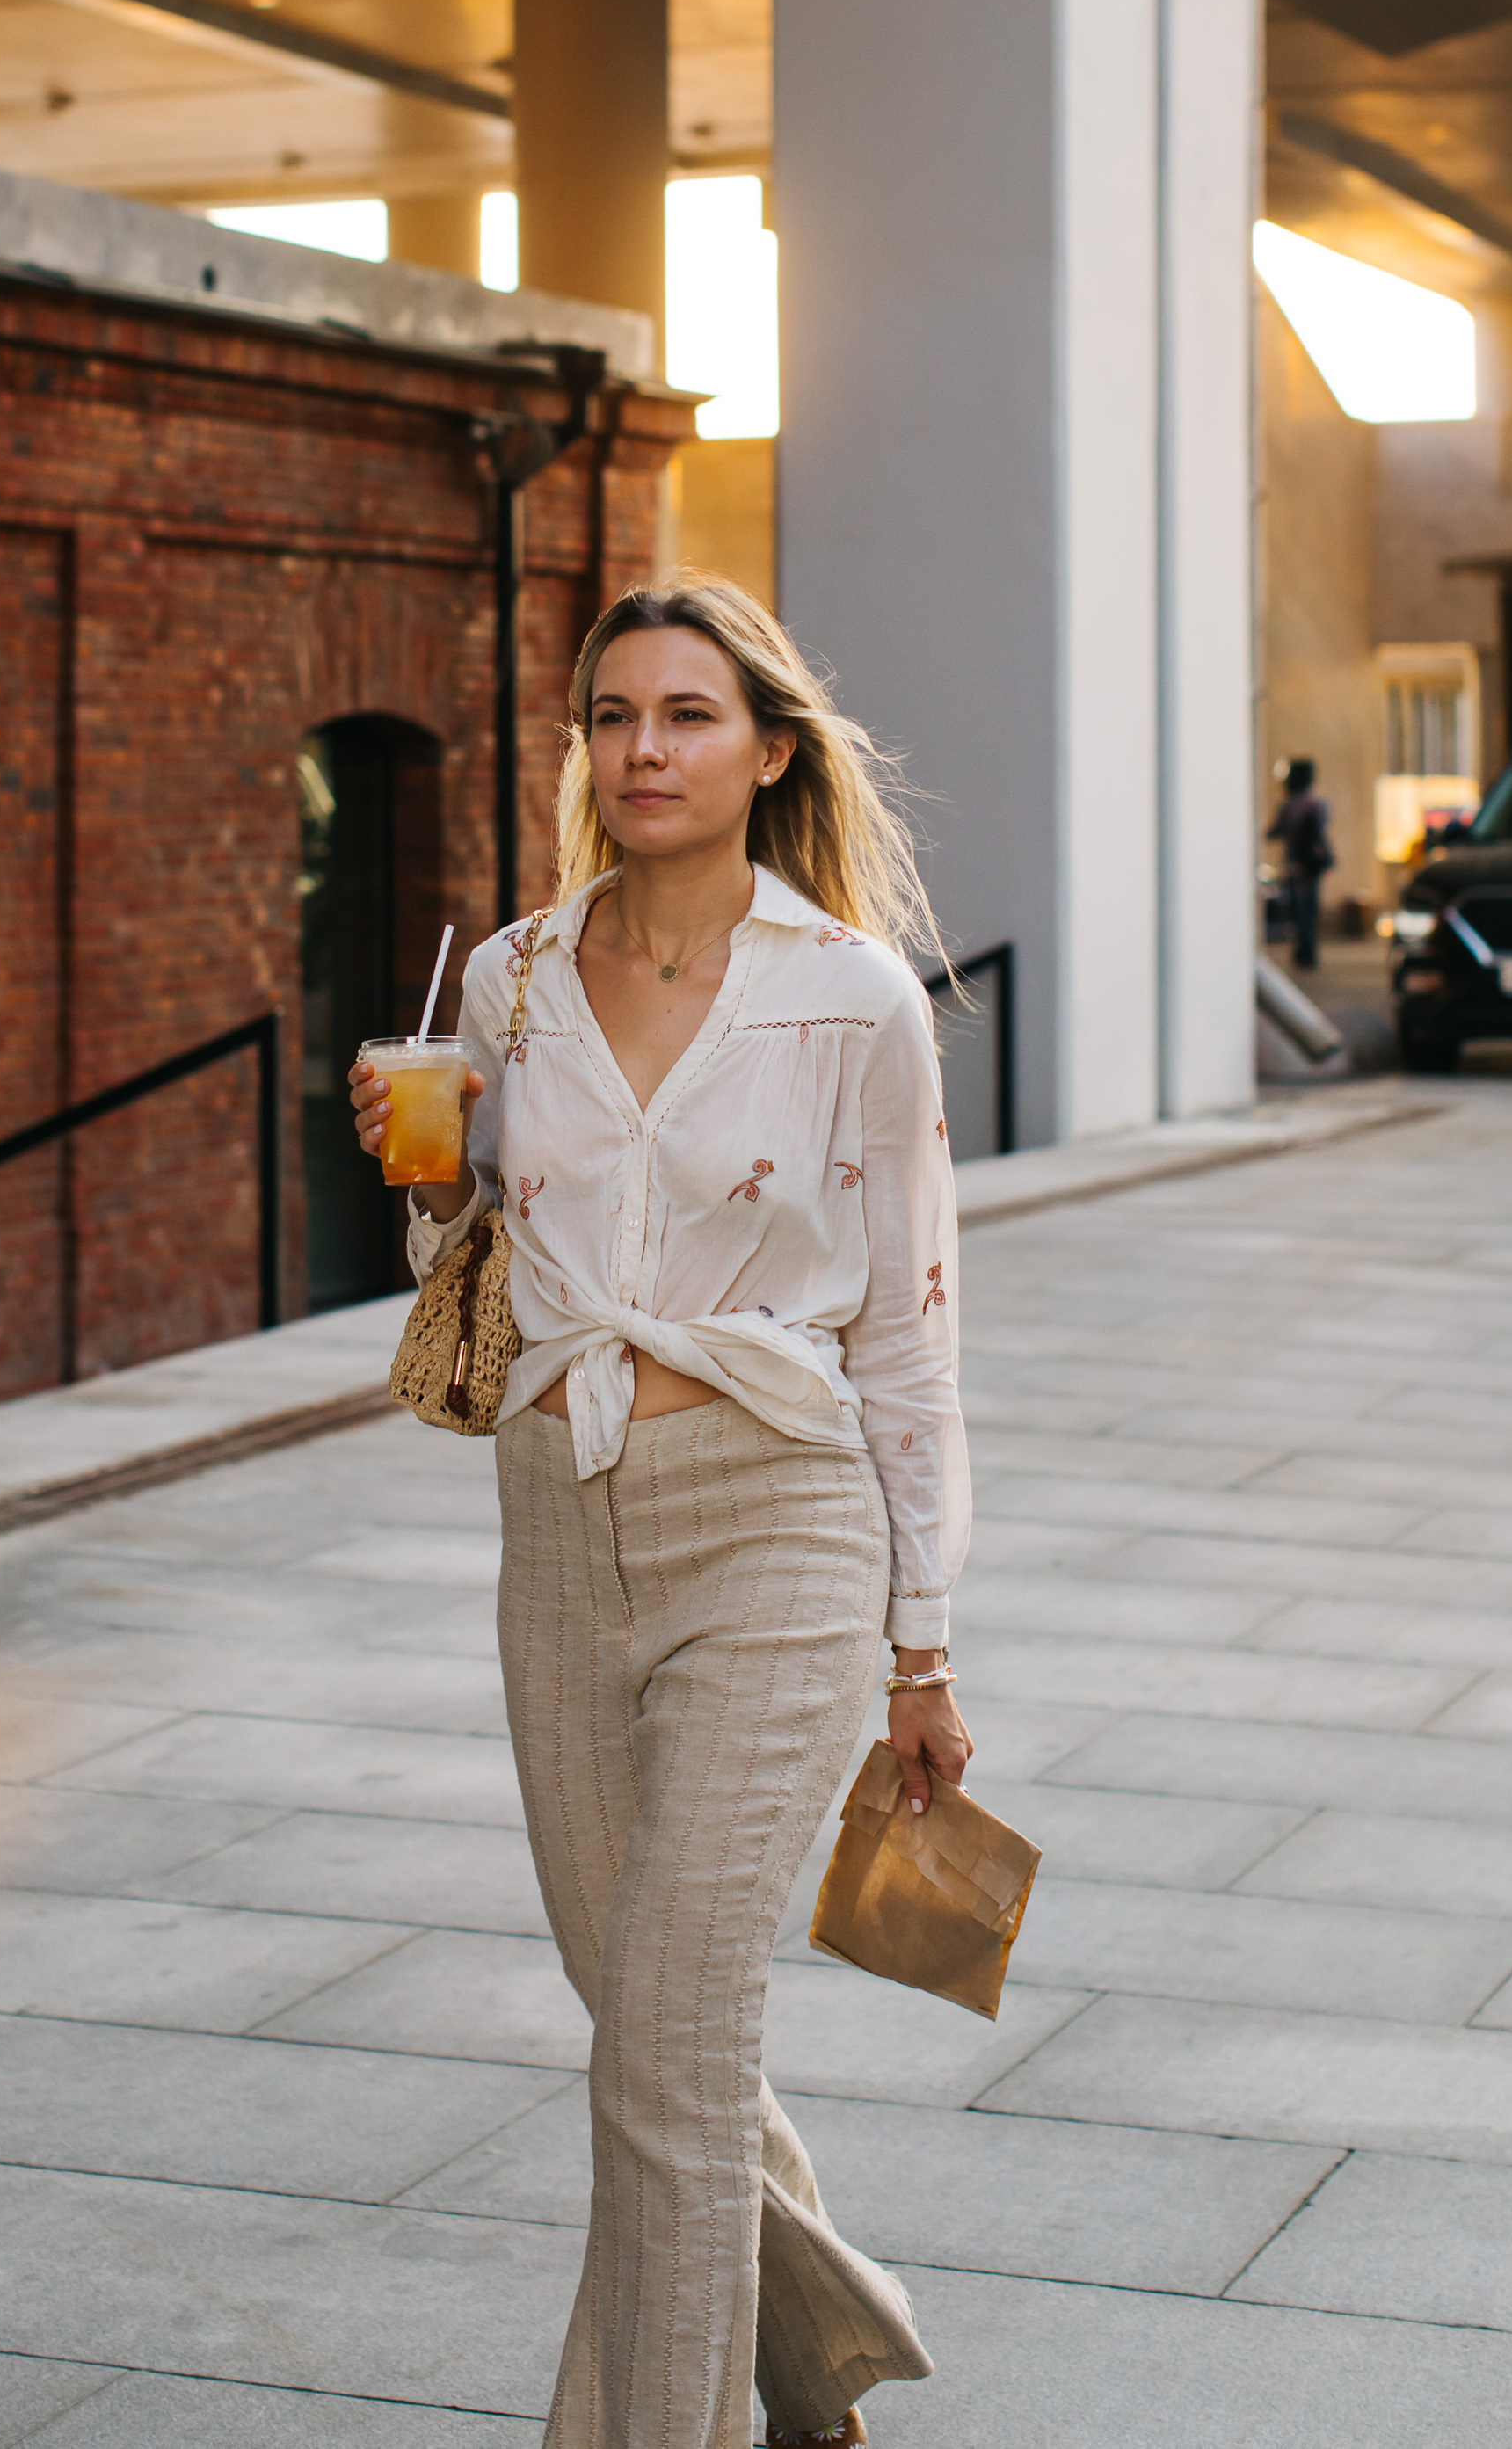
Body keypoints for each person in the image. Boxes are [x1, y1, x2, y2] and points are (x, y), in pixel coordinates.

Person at [351, 578, 972, 2449]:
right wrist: (422, 1162)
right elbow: (470, 1251)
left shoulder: (848, 998)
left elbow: (909, 1324)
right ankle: (816, 2361)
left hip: (774, 1515)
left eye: (685, 714)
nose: (641, 749)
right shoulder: (513, 976)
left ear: (765, 748)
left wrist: (919, 1641)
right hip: (560, 1513)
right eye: (610, 715)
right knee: (644, 2030)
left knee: (670, 2050)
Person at [1268, 755, 1334, 971]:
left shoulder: (1290, 805)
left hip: (1296, 863)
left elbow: (1275, 831)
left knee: (1300, 910)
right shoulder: (1316, 803)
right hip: (1312, 864)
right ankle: (1308, 952)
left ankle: (1303, 953)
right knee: (1310, 909)